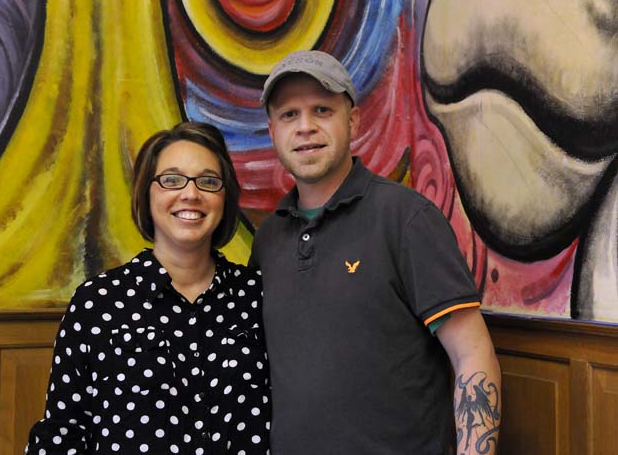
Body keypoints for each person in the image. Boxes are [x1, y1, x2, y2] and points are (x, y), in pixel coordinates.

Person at [250, 50, 501, 454]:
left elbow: (472, 353)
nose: (306, 127)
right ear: (273, 130)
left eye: (321, 109)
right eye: (289, 115)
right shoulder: (270, 237)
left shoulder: (406, 218)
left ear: (351, 121)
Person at [26, 122, 270, 454]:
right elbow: (63, 432)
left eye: (209, 181)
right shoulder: (98, 303)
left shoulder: (257, 298)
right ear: (146, 192)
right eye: (171, 180)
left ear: (225, 198)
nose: (191, 194)